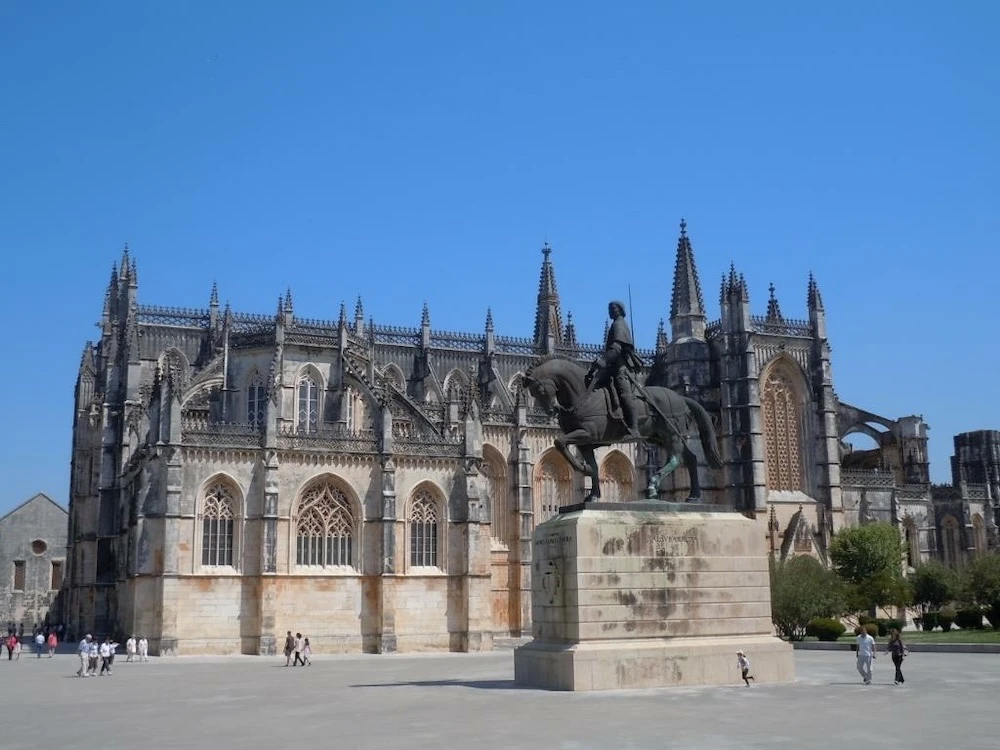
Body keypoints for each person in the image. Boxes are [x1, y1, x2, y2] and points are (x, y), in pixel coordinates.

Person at [585, 301, 645, 438]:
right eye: (609, 308)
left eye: (613, 308)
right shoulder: (615, 324)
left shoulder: (619, 324)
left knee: (625, 395)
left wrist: (602, 361)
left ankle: (634, 428)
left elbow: (616, 349)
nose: (610, 311)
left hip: (620, 369)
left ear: (620, 310)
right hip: (611, 367)